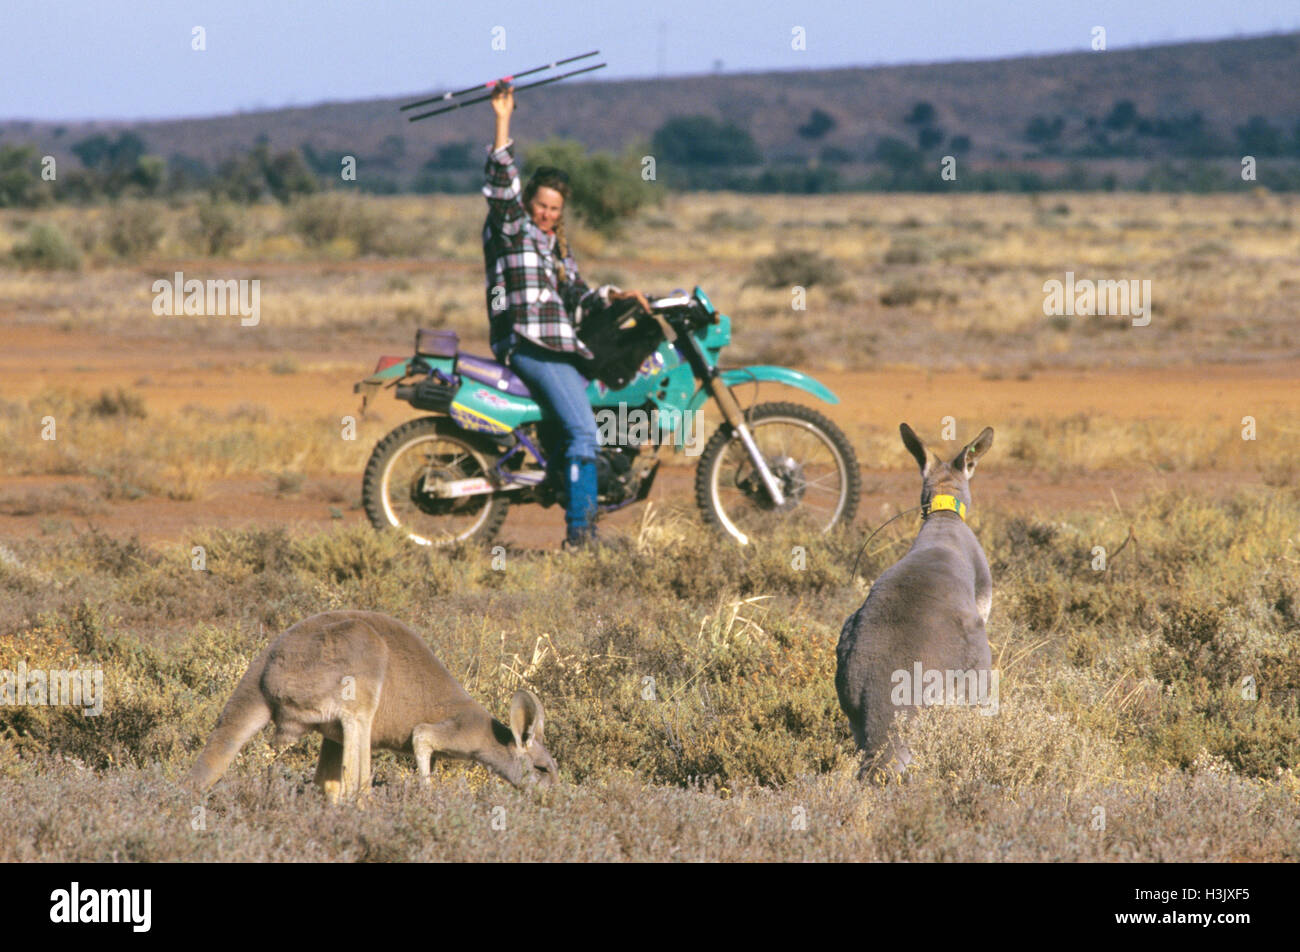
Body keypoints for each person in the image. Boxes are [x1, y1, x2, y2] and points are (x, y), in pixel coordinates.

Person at [481, 81, 650, 548]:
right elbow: (500, 185)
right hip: (531, 345)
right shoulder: (512, 230)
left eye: (554, 209)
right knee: (584, 432)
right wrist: (502, 119)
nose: (546, 215)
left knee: (589, 416)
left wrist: (620, 297)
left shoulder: (557, 247)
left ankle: (572, 487)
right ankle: (581, 535)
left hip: (559, 347)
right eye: (540, 205)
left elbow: (577, 294)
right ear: (527, 204)